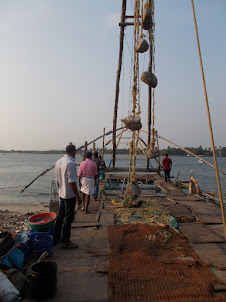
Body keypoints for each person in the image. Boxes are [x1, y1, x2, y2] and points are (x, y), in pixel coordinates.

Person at [54, 144, 82, 249]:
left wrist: (61, 190)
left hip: (62, 194)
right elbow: (72, 182)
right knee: (68, 218)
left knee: (60, 216)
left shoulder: (58, 162)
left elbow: (58, 181)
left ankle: (56, 237)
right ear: (73, 151)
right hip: (69, 195)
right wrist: (78, 196)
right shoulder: (70, 163)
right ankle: (66, 241)